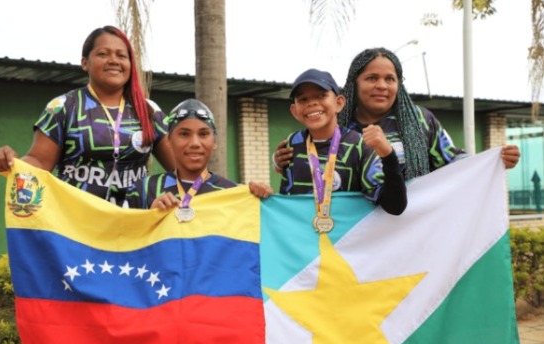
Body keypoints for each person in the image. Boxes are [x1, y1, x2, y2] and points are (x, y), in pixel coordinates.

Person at [0, 25, 176, 344]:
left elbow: (179, 170)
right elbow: (39, 162)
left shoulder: (148, 109)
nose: (114, 60)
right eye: (104, 53)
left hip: (133, 238)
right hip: (76, 237)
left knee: (128, 327)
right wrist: (11, 162)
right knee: (76, 329)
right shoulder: (63, 107)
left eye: (122, 55)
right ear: (85, 62)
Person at [274, 47, 521, 180]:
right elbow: (311, 167)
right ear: (353, 85)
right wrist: (280, 162)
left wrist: (491, 160)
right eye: (372, 78)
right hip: (355, 237)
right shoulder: (337, 127)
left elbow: (452, 162)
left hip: (412, 234)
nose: (382, 85)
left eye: (390, 79)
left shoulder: (420, 120)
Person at [277, 68, 407, 234]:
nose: (312, 103)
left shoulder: (359, 145)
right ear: (295, 111)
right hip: (303, 249)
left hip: (347, 248)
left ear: (339, 103)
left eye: (320, 96)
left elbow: (395, 206)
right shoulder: (292, 143)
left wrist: (388, 155)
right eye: (303, 99)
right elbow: (285, 204)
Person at [126, 98, 272, 212]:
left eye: (203, 134)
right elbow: (123, 240)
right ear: (169, 140)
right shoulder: (143, 190)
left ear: (214, 142)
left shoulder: (232, 193)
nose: (195, 143)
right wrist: (150, 216)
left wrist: (264, 198)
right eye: (184, 134)